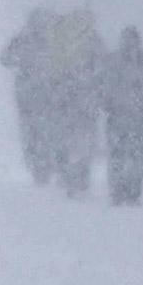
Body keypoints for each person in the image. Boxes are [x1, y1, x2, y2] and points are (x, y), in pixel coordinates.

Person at [98, 27, 143, 206]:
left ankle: (127, 192)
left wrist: (141, 96)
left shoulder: (117, 61)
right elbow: (101, 85)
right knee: (125, 154)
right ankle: (122, 192)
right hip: (124, 114)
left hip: (131, 114)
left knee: (129, 154)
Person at [43, 11, 106, 197]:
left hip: (63, 98)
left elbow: (48, 69)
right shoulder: (92, 40)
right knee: (84, 141)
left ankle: (67, 175)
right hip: (85, 99)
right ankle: (80, 176)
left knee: (64, 140)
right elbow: (102, 66)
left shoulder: (57, 39)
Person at [3, 10, 58, 185]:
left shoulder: (53, 40)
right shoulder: (22, 39)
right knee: (32, 132)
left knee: (44, 131)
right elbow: (5, 59)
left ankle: (44, 165)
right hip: (29, 94)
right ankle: (37, 165)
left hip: (46, 94)